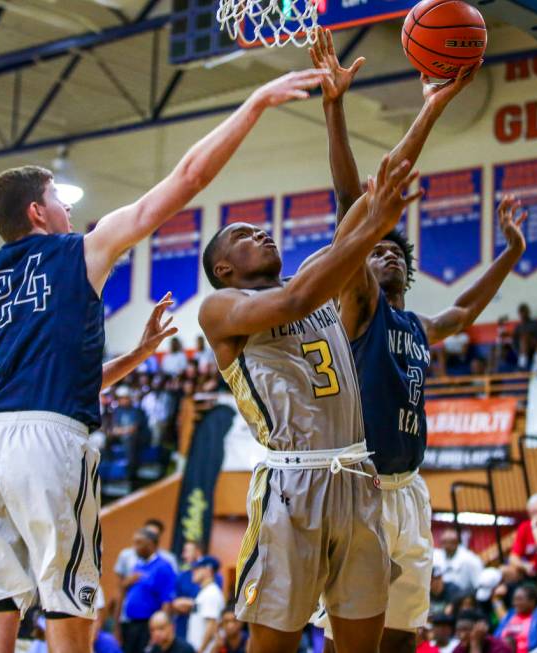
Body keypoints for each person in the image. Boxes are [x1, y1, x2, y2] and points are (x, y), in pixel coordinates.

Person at [0, 67, 328, 653]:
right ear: (36, 212)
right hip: (49, 444)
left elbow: (50, 379)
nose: (67, 208)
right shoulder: (79, 250)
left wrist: (138, 354)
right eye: (57, 196)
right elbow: (186, 178)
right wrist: (254, 103)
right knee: (68, 600)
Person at [308, 27, 525, 653]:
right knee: (352, 637)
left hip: (411, 489)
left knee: (404, 634)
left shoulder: (416, 327)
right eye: (373, 252)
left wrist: (510, 255)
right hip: (360, 486)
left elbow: (460, 311)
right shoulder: (361, 310)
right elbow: (354, 201)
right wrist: (334, 107)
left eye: (395, 250)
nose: (387, 256)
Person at [200, 116, 421, 650]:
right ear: (225, 269)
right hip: (293, 486)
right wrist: (371, 228)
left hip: (356, 475)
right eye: (243, 237)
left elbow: (358, 203)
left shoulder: (320, 277)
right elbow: (296, 301)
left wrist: (431, 104)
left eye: (259, 228)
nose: (260, 232)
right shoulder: (223, 307)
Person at [121, 529, 176, 653]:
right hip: (131, 623)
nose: (134, 547)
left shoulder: (163, 567)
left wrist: (160, 630)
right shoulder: (138, 565)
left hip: (148, 626)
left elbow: (167, 599)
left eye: (138, 543)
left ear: (150, 544)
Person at [495, 585, 537, 653]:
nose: (515, 603)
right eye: (514, 600)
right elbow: (496, 637)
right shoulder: (510, 615)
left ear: (532, 601)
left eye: (519, 599)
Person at [183, 556, 224, 653]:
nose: (193, 572)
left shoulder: (211, 592)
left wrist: (200, 650)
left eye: (197, 569)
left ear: (208, 570)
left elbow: (212, 625)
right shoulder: (205, 591)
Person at [433, 530, 484, 595]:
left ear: (456, 543)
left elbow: (478, 586)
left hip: (465, 599)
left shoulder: (470, 559)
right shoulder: (437, 556)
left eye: (447, 543)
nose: (444, 546)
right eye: (443, 542)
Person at [513, 304, 537, 369]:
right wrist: (519, 352)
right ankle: (522, 363)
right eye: (521, 313)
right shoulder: (518, 327)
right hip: (522, 351)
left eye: (525, 312)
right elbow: (514, 342)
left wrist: (532, 339)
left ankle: (529, 364)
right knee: (523, 338)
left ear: (528, 312)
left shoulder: (535, 324)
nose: (523, 315)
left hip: (535, 349)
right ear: (519, 314)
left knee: (525, 337)